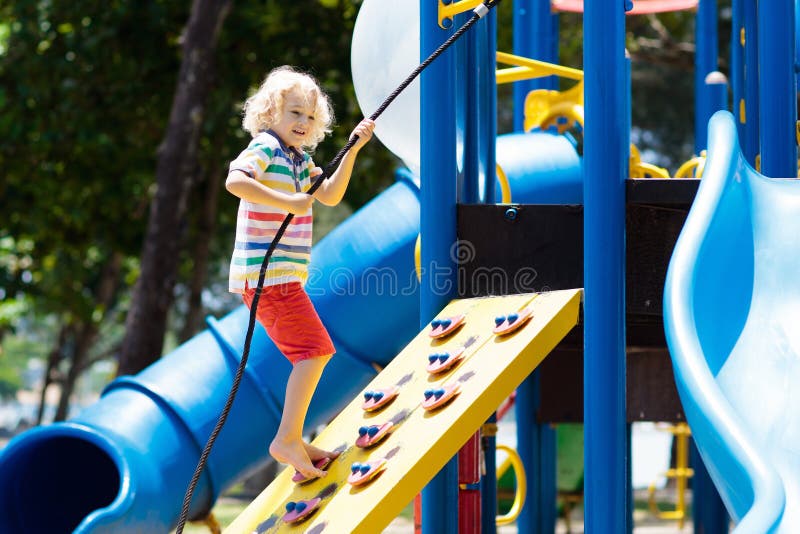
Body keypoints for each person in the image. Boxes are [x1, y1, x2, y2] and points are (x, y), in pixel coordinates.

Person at [225, 66, 375, 479]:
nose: (302, 123)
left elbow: (328, 195)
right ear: (271, 112)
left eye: (309, 117)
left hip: (281, 279)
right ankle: (287, 438)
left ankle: (292, 436)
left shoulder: (300, 159)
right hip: (265, 276)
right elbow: (235, 180)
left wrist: (353, 150)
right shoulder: (266, 148)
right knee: (315, 351)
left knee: (312, 354)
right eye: (294, 113)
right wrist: (283, 201)